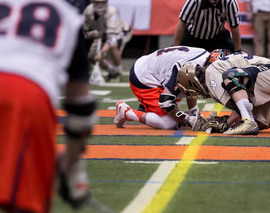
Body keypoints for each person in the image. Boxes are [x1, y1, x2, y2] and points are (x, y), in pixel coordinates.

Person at [0, 0, 97, 212]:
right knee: (25, 202)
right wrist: (71, 163)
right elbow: (81, 108)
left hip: (23, 92)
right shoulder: (68, 16)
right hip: (25, 94)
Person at [177, 49, 270, 135]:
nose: (195, 93)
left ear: (194, 81)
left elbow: (237, 105)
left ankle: (249, 122)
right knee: (258, 121)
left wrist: (226, 123)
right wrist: (229, 121)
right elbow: (242, 104)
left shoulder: (211, 73)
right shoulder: (213, 74)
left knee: (229, 76)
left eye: (192, 89)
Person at [114, 46, 210, 130]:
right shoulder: (185, 67)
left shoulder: (204, 58)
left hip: (156, 70)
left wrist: (194, 113)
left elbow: (190, 87)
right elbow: (166, 102)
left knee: (176, 114)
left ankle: (147, 109)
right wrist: (188, 120)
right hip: (144, 76)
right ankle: (126, 112)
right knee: (169, 123)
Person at [84, 0, 132, 82]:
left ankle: (118, 72)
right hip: (102, 34)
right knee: (91, 56)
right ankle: (112, 71)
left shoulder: (111, 11)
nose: (100, 5)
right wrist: (91, 34)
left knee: (113, 46)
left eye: (103, 3)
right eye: (98, 3)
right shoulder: (88, 11)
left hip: (119, 32)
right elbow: (85, 31)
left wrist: (101, 52)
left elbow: (111, 38)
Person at [173, 0, 241, 53]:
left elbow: (234, 27)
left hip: (217, 39)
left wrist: (237, 50)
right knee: (178, 56)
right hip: (192, 38)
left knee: (234, 56)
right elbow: (182, 23)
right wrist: (176, 47)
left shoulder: (229, 2)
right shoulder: (194, 1)